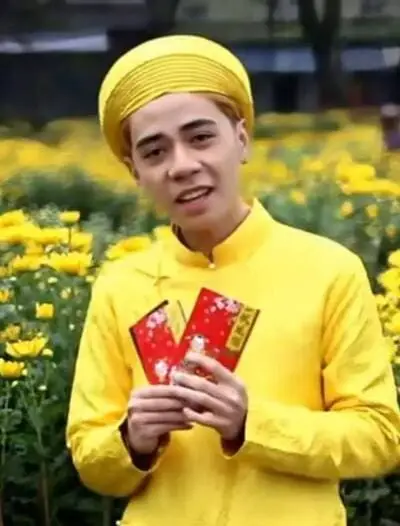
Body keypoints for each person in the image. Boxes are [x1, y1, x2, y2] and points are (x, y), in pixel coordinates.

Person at [66, 34, 400, 526]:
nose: (182, 166)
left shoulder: (329, 271)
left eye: (201, 137)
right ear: (134, 171)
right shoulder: (121, 286)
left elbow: (379, 437)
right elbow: (90, 455)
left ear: (241, 138)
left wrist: (252, 423)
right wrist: (132, 439)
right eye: (154, 152)